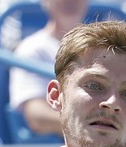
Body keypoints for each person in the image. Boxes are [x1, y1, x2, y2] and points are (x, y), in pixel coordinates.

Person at [9, 0, 90, 138]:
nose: (71, 2)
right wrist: (90, 129)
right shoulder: (31, 49)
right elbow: (37, 116)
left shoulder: (105, 49)